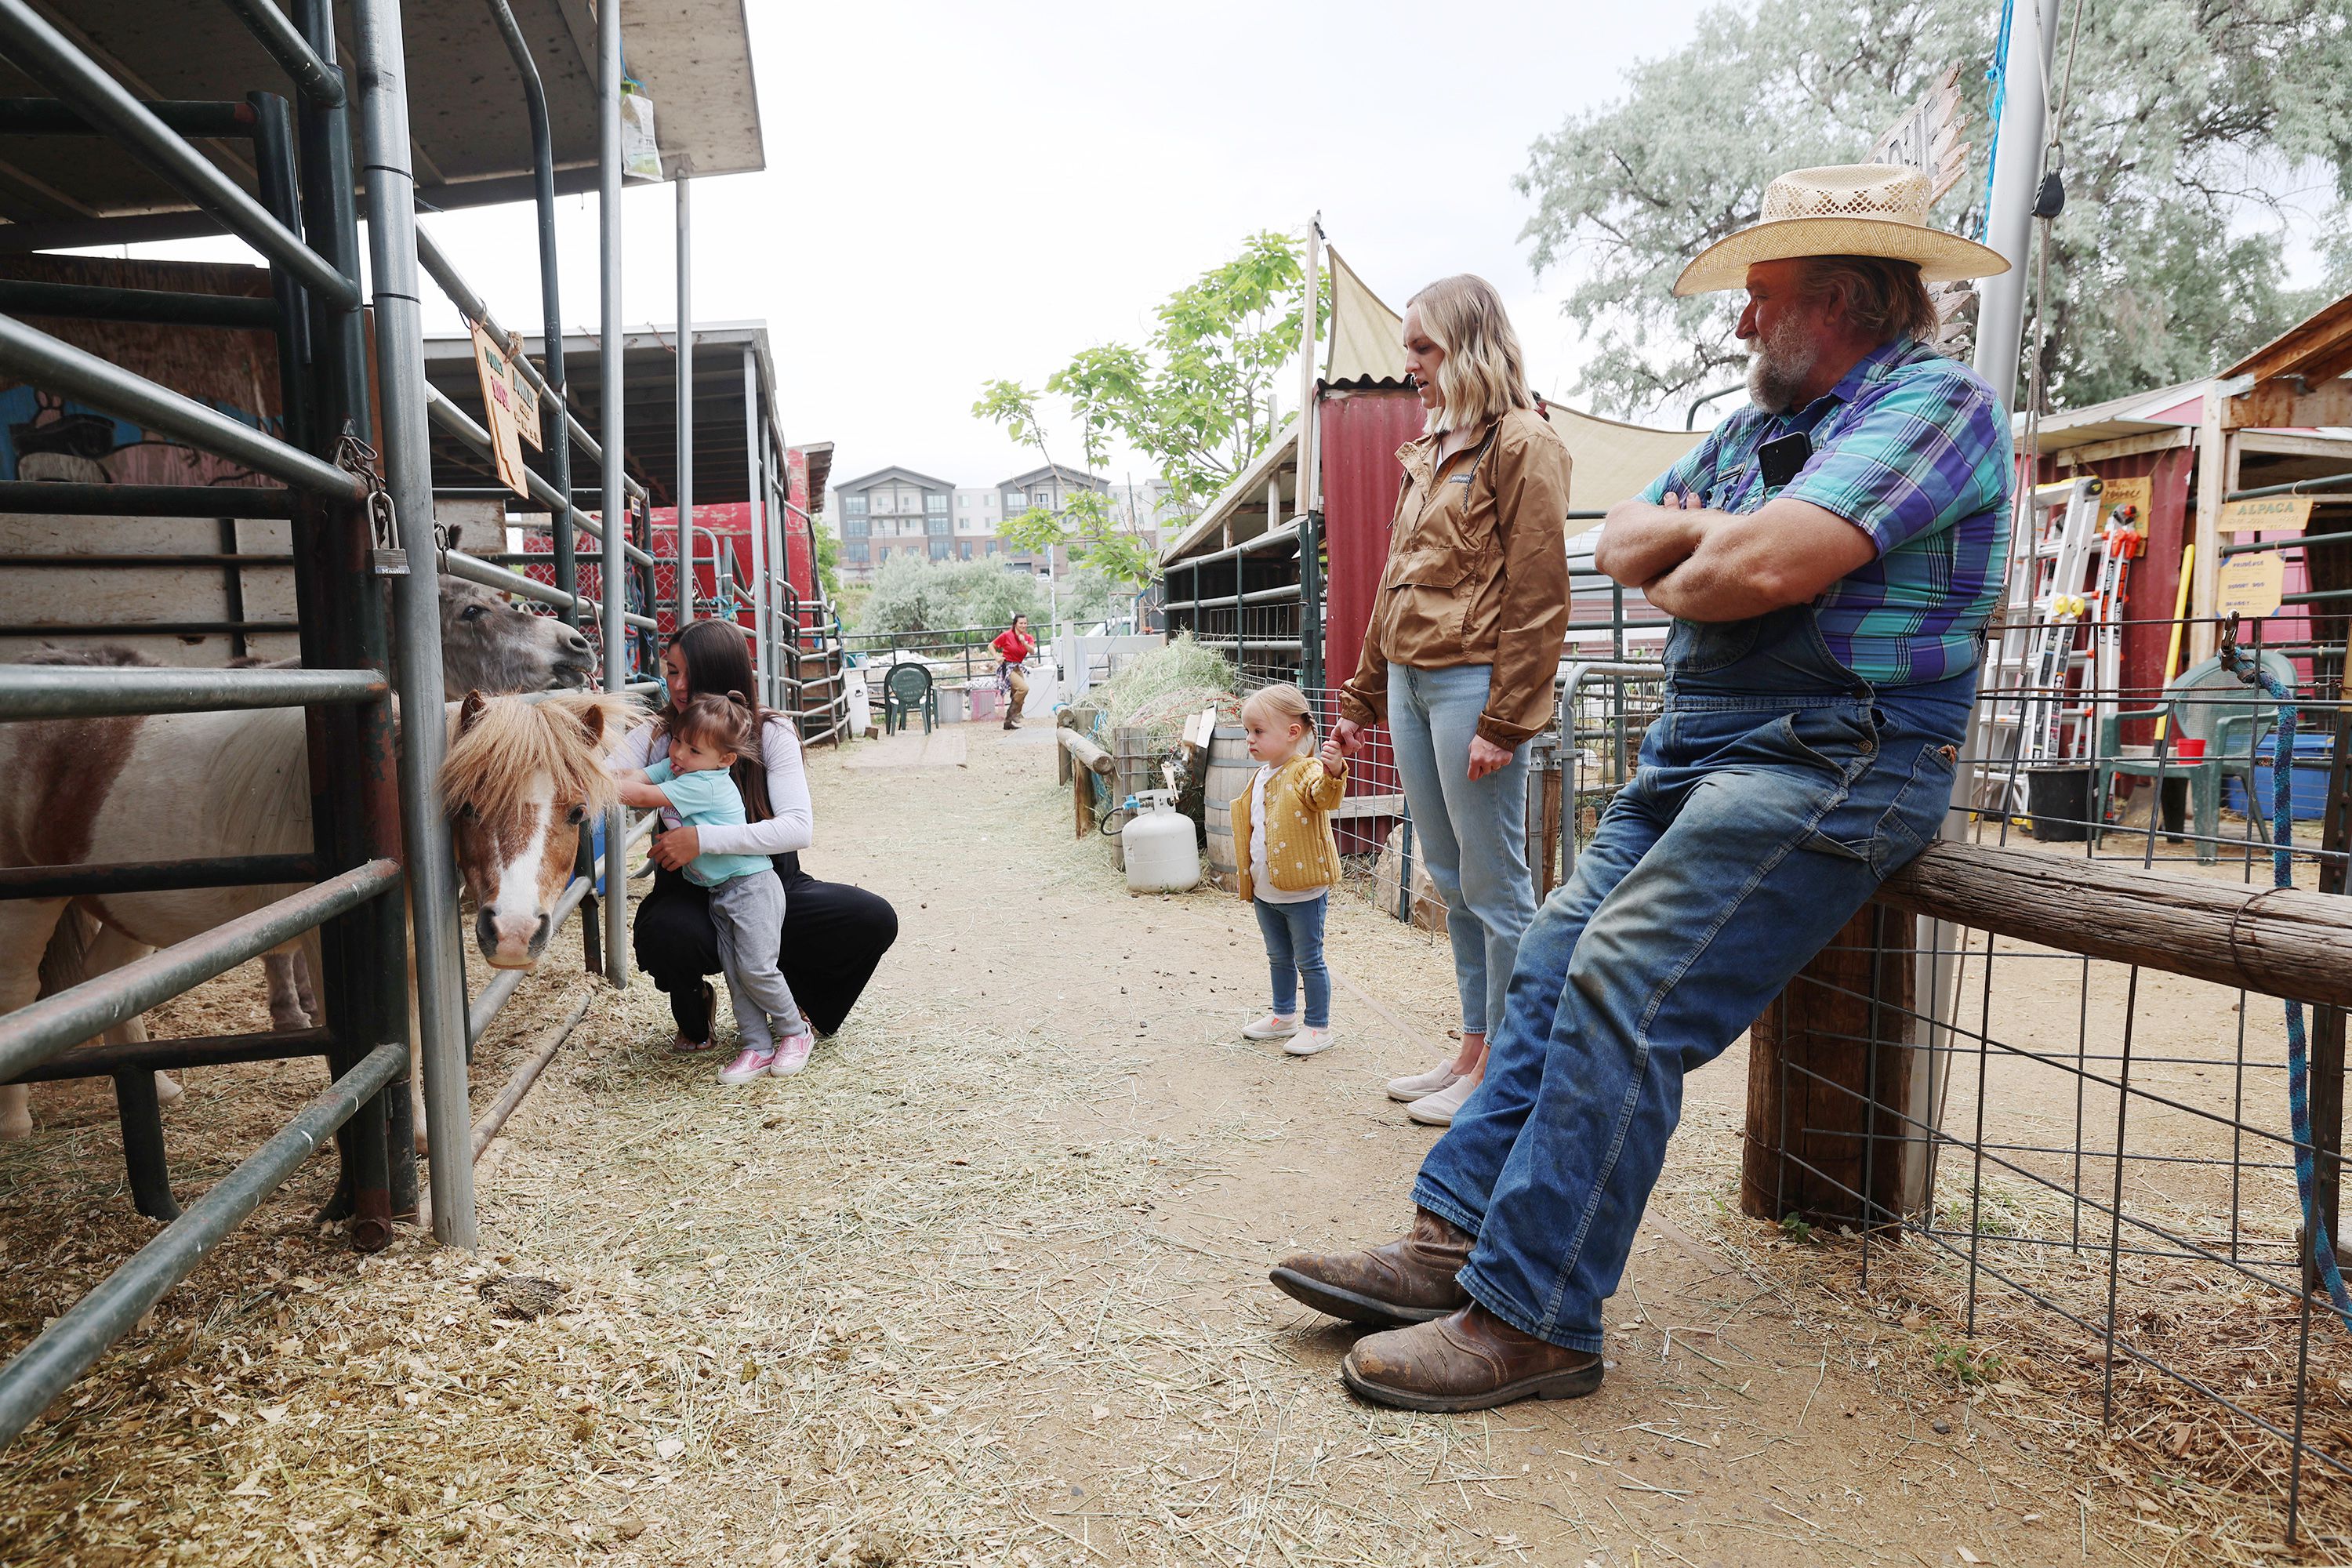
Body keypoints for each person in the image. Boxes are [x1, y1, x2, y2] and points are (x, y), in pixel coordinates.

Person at [1272, 163, 2013, 1413]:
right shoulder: (1749, 433)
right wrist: (1715, 556)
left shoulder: (1939, 410)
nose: (1736, 323)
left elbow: (1747, 570)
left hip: (1839, 754)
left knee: (1628, 973)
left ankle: (1536, 1313)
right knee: (1560, 947)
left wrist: (1720, 554)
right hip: (1706, 747)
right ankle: (1453, 1238)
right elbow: (1621, 542)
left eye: (1757, 298)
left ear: (1838, 298)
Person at [1329, 274, 1572, 1128]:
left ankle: (1507, 1068)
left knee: (1498, 880)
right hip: (1409, 679)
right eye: (1409, 349)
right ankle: (1474, 1046)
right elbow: (1394, 584)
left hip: (1473, 682)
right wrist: (1360, 697)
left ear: (1470, 345)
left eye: (1424, 349)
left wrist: (1507, 718)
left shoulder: (1524, 443)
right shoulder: (1428, 451)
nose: (1411, 366)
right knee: (1451, 875)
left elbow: (1541, 593)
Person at [618, 618, 899, 1051]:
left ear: (720, 674)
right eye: (672, 671)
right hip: (692, 890)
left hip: (768, 884)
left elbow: (797, 828)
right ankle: (695, 1014)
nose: (677, 685)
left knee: (872, 918)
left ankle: (797, 1000)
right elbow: (607, 774)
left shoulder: (771, 731)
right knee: (665, 934)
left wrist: (703, 840)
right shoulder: (661, 735)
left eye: (689, 673)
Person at [615, 693, 815, 1083]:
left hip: (752, 887)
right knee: (736, 973)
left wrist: (583, 780)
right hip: (721, 892)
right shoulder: (679, 769)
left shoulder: (704, 783)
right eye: (676, 741)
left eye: (693, 749)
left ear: (724, 760)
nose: (678, 754)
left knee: (757, 968)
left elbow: (638, 795)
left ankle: (794, 1030)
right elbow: (637, 777)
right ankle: (756, 1045)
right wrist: (610, 773)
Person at [1232, 683, 1348, 1058]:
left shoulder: (1305, 769)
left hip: (1301, 893)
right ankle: (1284, 1015)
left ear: (1292, 732)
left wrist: (1333, 772)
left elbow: (1323, 796)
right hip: (1266, 890)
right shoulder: (1264, 774)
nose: (1250, 739)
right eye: (1248, 731)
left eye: (1258, 732)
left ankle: (1318, 1026)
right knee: (1277, 956)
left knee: (1308, 959)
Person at [992, 613, 1036, 730]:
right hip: (1008, 667)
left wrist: (1024, 643)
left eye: (1025, 623)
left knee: (1017, 695)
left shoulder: (1028, 638)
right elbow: (991, 645)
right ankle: (1013, 714)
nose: (1023, 625)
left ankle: (1008, 722)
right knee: (1024, 689)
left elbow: (1032, 651)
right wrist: (996, 656)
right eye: (1021, 623)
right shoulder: (1007, 635)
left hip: (1018, 667)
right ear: (1015, 624)